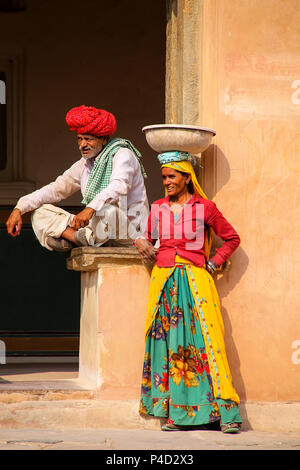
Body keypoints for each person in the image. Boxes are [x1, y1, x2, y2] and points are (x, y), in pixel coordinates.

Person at [135, 151, 242, 433]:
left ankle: (226, 414)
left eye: (172, 177)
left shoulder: (205, 208)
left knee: (207, 343)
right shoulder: (157, 208)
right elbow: (147, 238)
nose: (167, 182)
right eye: (164, 178)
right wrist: (140, 243)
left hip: (196, 283)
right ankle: (176, 414)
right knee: (170, 348)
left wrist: (214, 262)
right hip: (164, 284)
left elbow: (232, 238)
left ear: (186, 178)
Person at [6, 105, 148, 251]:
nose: (82, 145)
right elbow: (56, 189)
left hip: (128, 234)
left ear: (104, 139)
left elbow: (119, 186)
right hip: (95, 231)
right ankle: (76, 238)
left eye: (88, 139)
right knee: (39, 212)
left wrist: (90, 208)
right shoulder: (84, 164)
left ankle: (75, 238)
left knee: (107, 210)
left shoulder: (122, 154)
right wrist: (19, 208)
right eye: (79, 139)